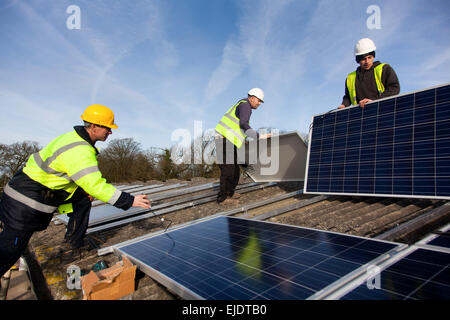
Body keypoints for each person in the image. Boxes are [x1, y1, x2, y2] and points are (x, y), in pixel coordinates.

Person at [0, 104, 150, 276]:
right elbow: (94, 184)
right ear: (93, 126)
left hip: (36, 190)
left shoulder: (72, 138)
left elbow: (71, 176)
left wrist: (83, 191)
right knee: (10, 249)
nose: (110, 132)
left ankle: (73, 241)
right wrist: (130, 200)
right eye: (107, 127)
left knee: (84, 199)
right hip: (25, 200)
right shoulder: (80, 150)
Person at [215, 88, 271, 204]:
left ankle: (230, 193)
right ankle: (223, 198)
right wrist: (260, 136)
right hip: (225, 140)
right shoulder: (245, 106)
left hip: (230, 140)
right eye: (259, 100)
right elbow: (243, 124)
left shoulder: (244, 106)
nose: (259, 103)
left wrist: (244, 140)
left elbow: (239, 129)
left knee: (235, 170)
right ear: (252, 98)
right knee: (228, 170)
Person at [338, 38, 400, 109]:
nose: (367, 61)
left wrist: (374, 101)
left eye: (369, 57)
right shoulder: (351, 77)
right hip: (361, 115)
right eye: (363, 59)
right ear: (358, 60)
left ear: (373, 56)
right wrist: (344, 104)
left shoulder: (384, 69)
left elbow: (394, 88)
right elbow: (348, 96)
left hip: (383, 110)